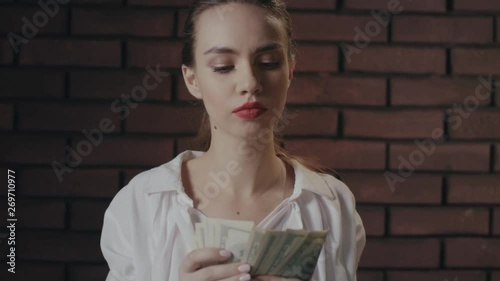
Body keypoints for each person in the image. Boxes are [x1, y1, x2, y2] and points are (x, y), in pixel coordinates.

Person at [100, 1, 366, 280]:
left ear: (290, 71)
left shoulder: (333, 205)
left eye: (268, 63)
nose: (250, 82)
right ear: (192, 79)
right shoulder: (141, 205)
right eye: (223, 66)